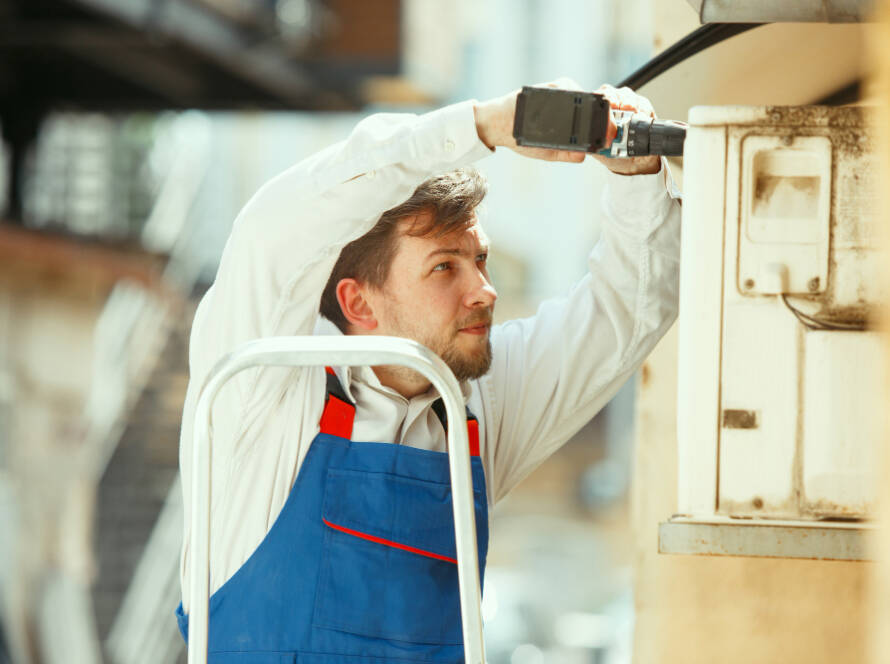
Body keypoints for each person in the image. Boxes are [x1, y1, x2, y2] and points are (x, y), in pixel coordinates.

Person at [175, 80, 681, 662]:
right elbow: (273, 228)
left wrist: (637, 175)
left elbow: (627, 310)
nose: (485, 291)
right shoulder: (263, 394)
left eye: (480, 260)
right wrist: (482, 127)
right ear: (359, 303)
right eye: (445, 268)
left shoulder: (474, 409)